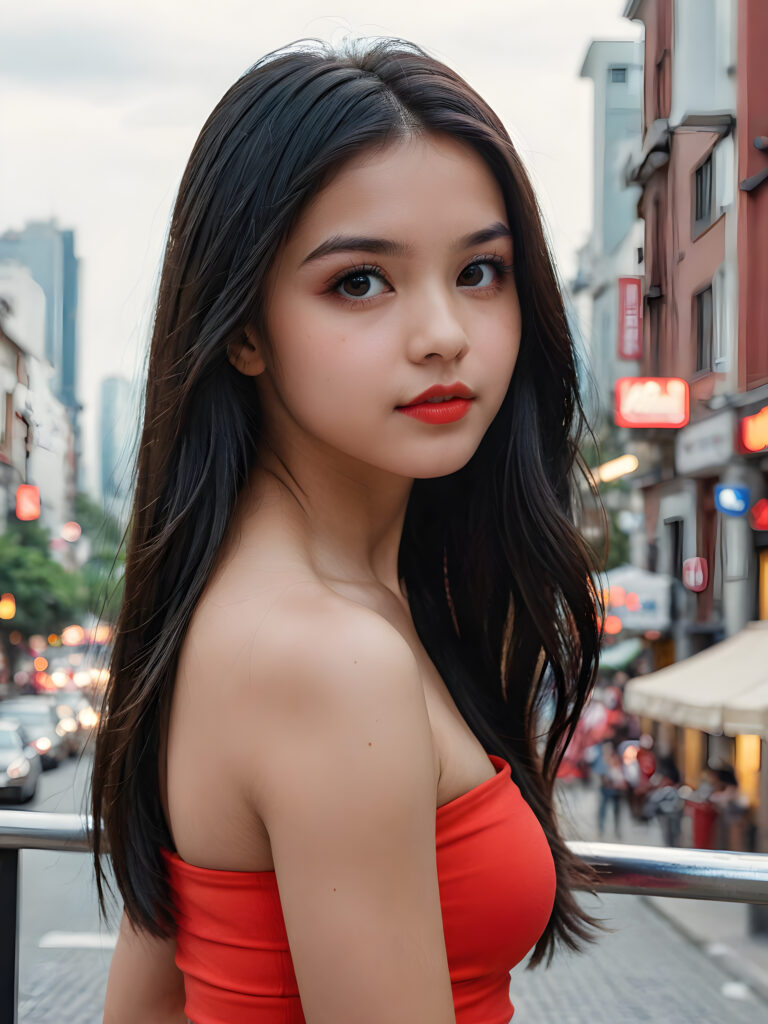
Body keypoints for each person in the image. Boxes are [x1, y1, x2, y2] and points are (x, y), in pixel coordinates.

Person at [91, 37, 610, 1024]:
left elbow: (149, 1003)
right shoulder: (330, 655)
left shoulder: (256, 597)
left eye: (482, 271)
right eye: (361, 281)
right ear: (241, 327)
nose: (443, 333)